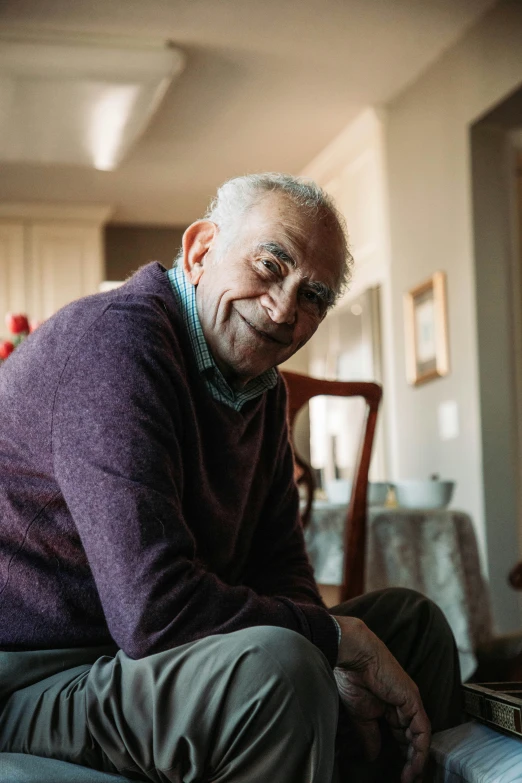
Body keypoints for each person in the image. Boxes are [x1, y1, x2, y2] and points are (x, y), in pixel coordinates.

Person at [0, 173, 462, 783]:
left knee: (410, 624)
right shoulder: (115, 341)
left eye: (313, 296)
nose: (283, 309)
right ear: (199, 251)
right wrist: (333, 641)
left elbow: (283, 570)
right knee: (284, 668)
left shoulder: (258, 391)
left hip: (136, 661)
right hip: (35, 680)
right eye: (270, 265)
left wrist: (336, 648)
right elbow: (154, 611)